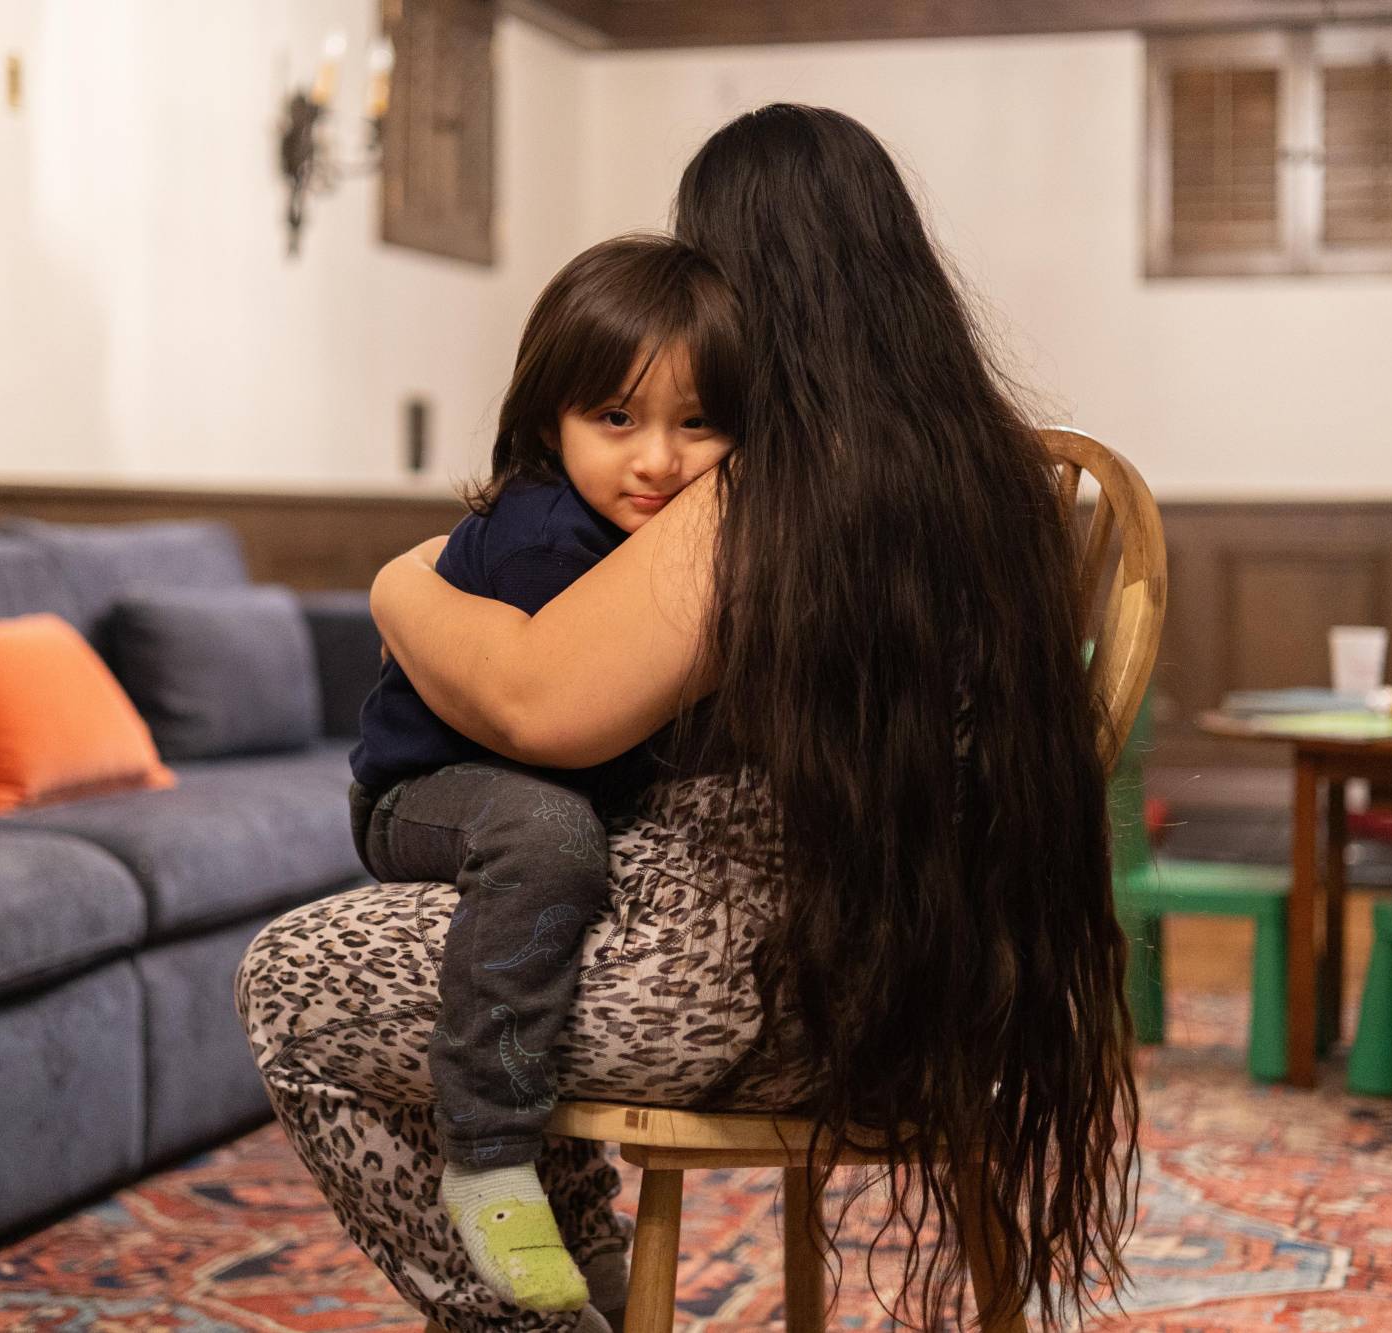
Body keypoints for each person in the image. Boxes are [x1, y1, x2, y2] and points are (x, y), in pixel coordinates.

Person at [237, 103, 1137, 1333]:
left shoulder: (776, 495)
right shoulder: (988, 480)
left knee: (293, 981)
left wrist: (398, 585)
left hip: (744, 988)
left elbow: (537, 702)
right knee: (505, 938)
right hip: (936, 987)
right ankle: (580, 1274)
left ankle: (535, 1323)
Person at [344, 234, 741, 1315]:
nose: (656, 460)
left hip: (543, 789)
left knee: (566, 872)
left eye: (697, 423)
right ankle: (485, 1151)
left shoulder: (671, 537)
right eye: (616, 418)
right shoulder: (541, 544)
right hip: (424, 791)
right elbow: (563, 726)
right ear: (549, 422)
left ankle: (588, 1255)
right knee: (551, 838)